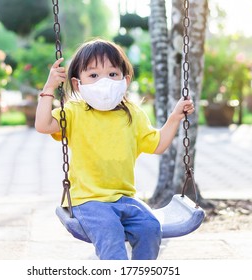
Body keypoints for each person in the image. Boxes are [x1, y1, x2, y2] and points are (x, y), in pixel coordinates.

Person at [35, 38, 195, 260]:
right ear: (77, 83)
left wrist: (175, 117)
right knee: (111, 233)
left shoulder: (133, 114)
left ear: (125, 79)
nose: (104, 82)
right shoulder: (74, 111)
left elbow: (158, 144)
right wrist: (49, 88)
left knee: (150, 227)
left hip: (125, 198)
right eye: (93, 75)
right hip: (87, 200)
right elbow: (43, 125)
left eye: (112, 74)